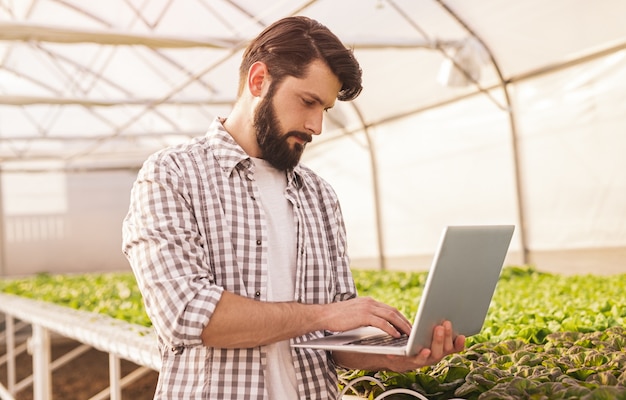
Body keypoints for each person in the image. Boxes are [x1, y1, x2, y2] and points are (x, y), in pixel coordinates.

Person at [122, 16, 465, 399]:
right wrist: (322, 315)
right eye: (308, 102)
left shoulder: (318, 195)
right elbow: (186, 314)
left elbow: (337, 338)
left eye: (326, 109)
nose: (317, 125)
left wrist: (391, 356)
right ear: (258, 81)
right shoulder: (172, 175)